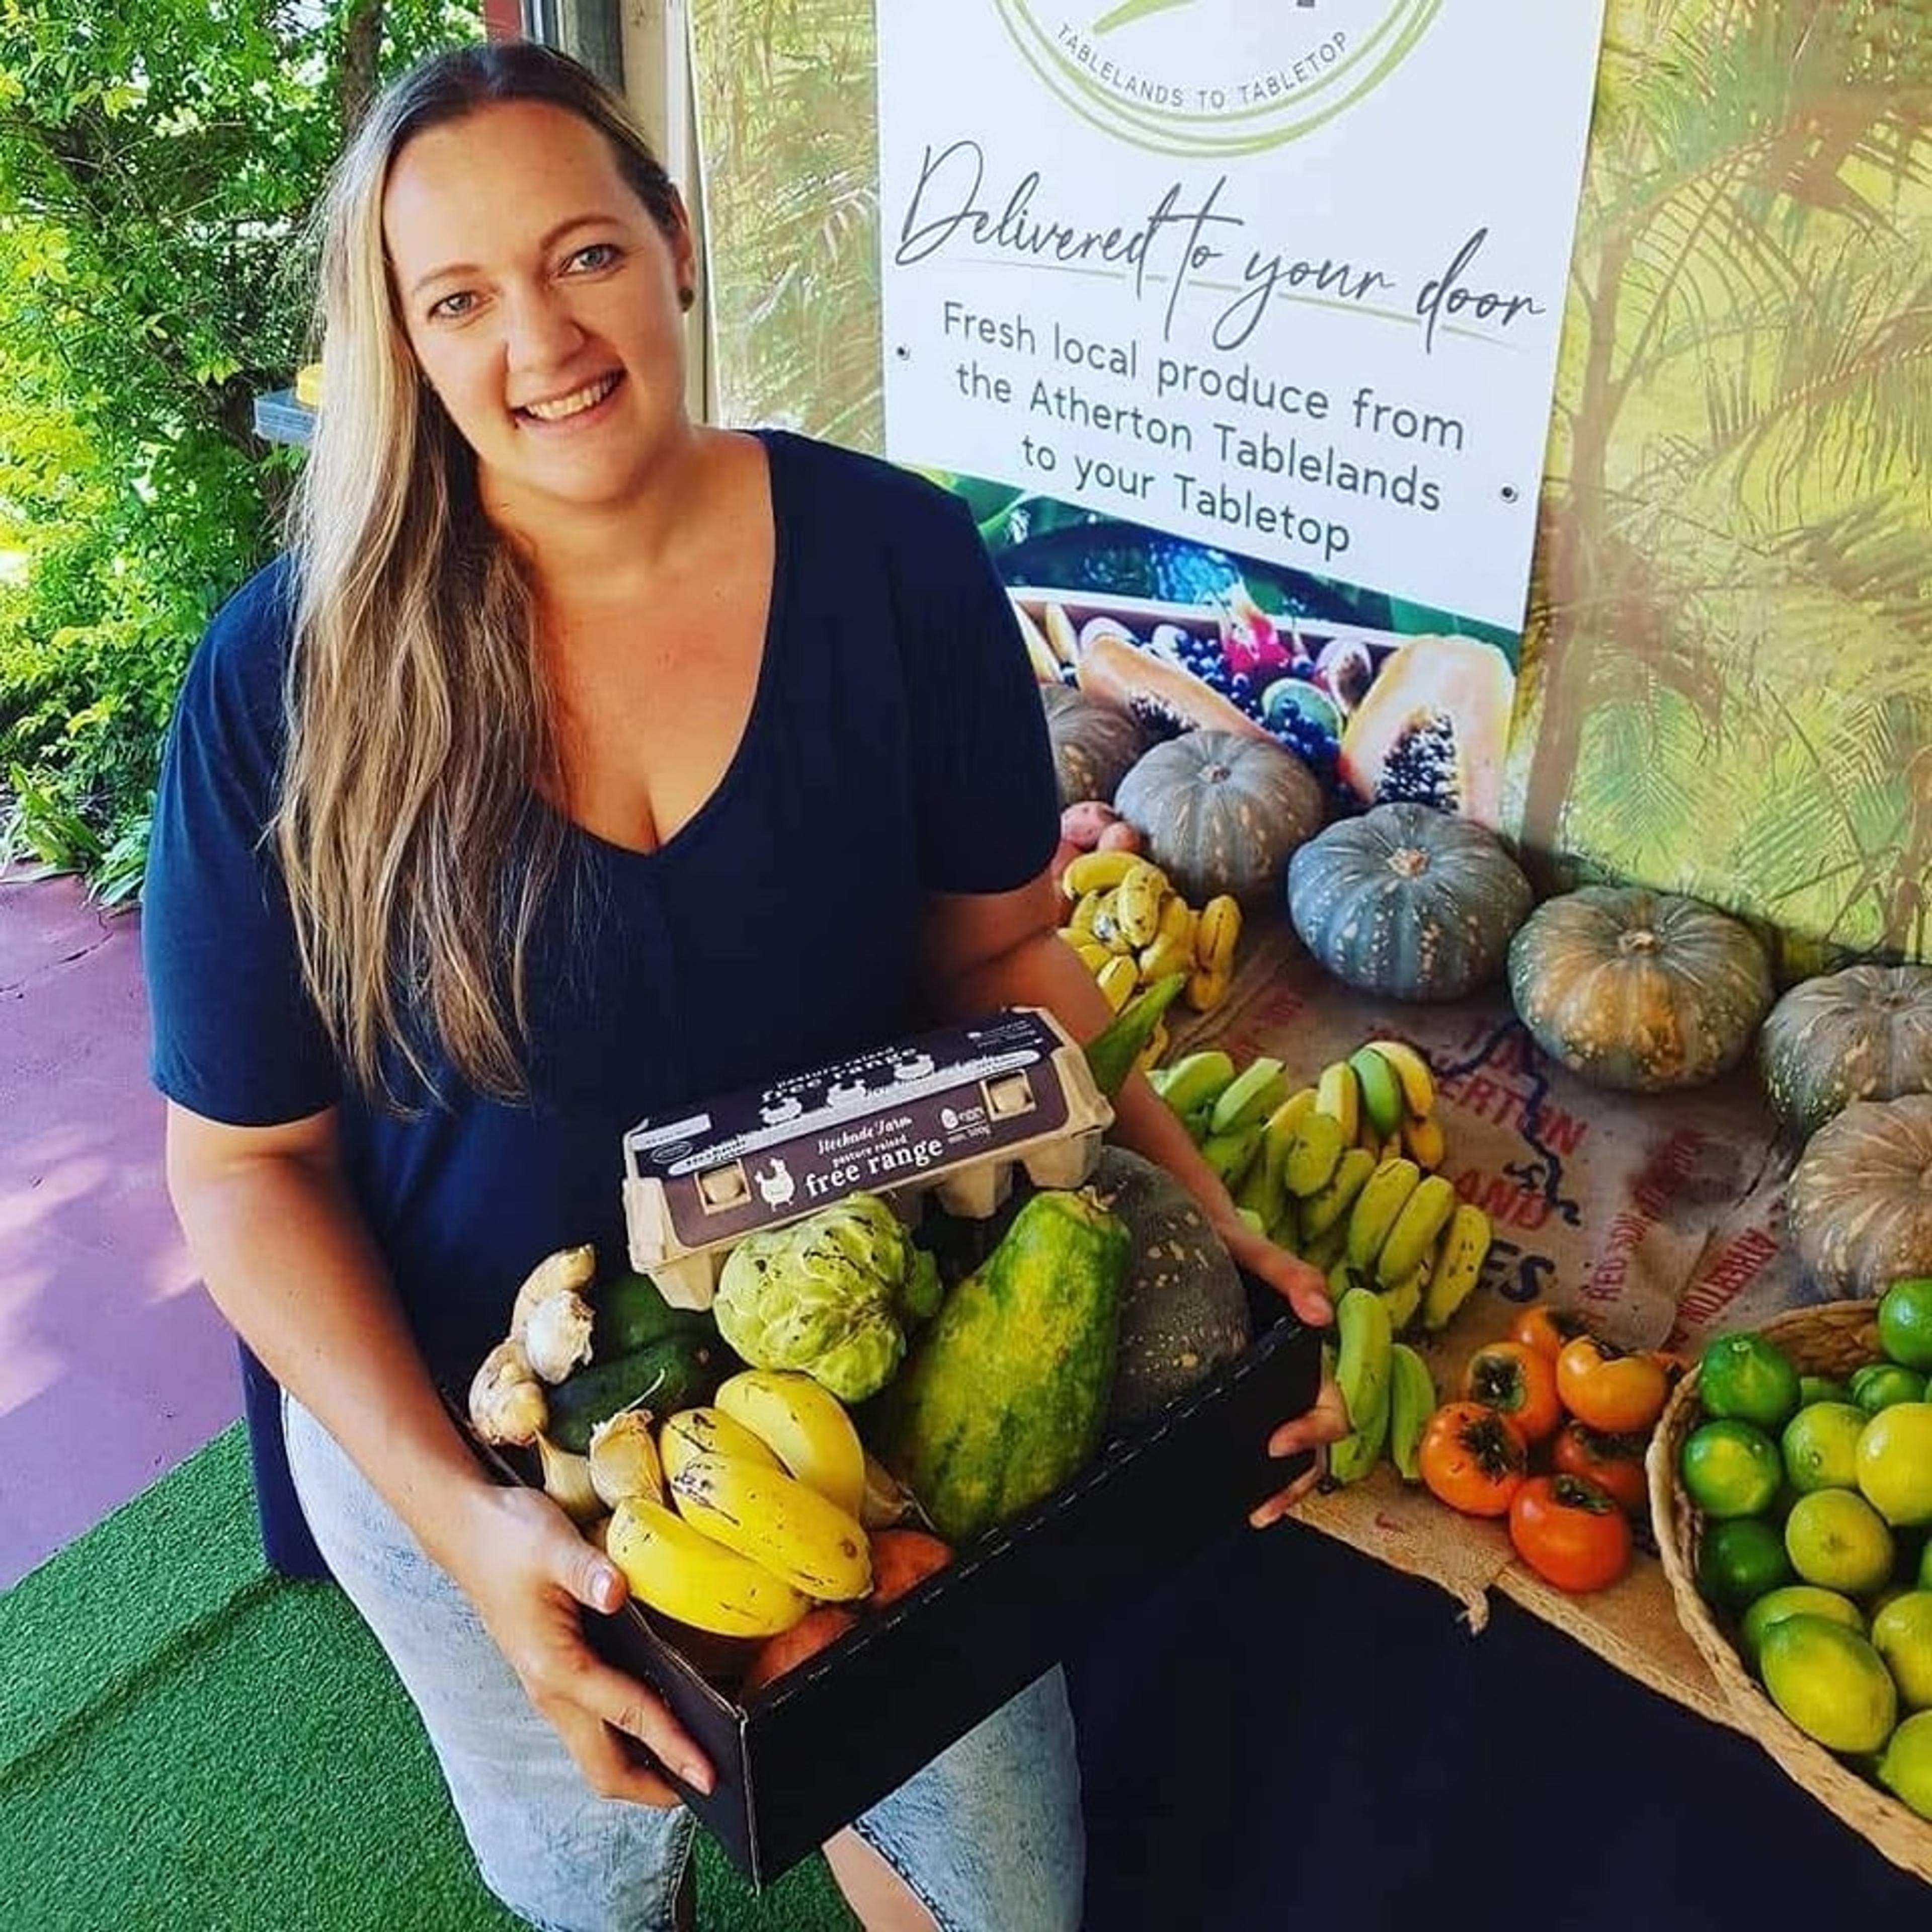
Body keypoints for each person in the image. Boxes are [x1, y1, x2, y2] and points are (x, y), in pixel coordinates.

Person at [142, 40, 1346, 1932]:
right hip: (486, 1451)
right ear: (402, 343)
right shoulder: (288, 678)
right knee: (600, 1882)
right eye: (458, 298)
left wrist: (1208, 1235)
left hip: (853, 1388)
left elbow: (1004, 966)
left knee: (1003, 1891)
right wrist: (469, 1529)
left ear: (676, 244)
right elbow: (241, 1165)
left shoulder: (895, 560)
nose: (540, 340)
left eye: (584, 256)